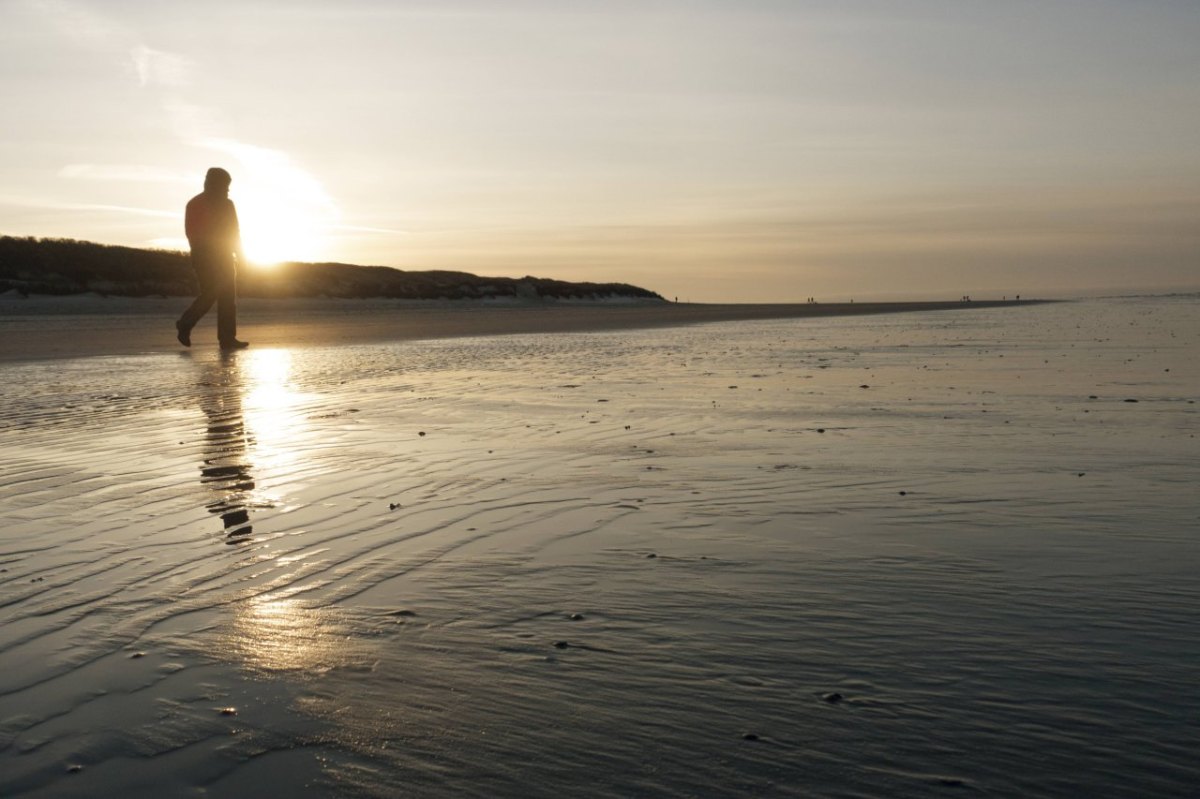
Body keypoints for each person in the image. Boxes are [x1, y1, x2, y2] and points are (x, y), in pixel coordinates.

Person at [176, 167, 249, 349]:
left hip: (225, 256)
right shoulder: (195, 204)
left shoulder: (228, 204)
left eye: (228, 186)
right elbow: (192, 233)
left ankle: (227, 338)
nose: (227, 190)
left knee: (227, 298)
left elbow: (234, 232)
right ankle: (185, 323)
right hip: (204, 257)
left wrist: (240, 255)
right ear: (213, 183)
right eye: (225, 186)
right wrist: (205, 253)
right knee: (211, 293)